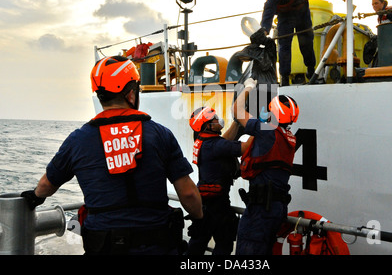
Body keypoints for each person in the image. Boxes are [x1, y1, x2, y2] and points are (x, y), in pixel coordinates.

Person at [20, 55, 203, 255]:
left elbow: (46, 186)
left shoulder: (78, 140)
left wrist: (34, 197)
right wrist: (200, 220)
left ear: (100, 95)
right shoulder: (160, 134)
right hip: (157, 245)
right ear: (131, 94)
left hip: (103, 246)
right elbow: (187, 193)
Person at [232, 78, 299, 255]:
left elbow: (238, 112)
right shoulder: (290, 138)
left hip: (260, 209)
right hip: (277, 209)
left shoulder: (266, 131)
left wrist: (247, 88)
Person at [186, 107, 252, 255]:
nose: (218, 119)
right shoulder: (216, 146)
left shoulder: (204, 141)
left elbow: (224, 142)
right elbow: (243, 148)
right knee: (224, 243)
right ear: (207, 125)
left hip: (204, 202)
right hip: (218, 205)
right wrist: (258, 129)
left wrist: (237, 122)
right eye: (214, 118)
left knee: (197, 243)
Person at [261, 0, 321, 86]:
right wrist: (264, 29)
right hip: (285, 17)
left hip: (302, 13)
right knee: (284, 46)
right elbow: (269, 10)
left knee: (307, 43)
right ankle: (284, 79)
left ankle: (311, 72)